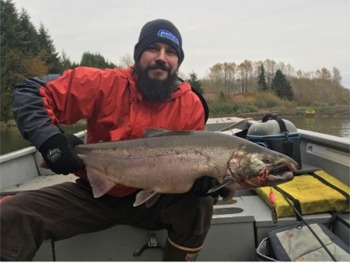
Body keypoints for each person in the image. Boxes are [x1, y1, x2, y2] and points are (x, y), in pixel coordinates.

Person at [1, 19, 227, 261]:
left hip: (155, 201)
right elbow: (31, 91)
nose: (161, 57)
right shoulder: (104, 84)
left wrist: (206, 184)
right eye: (153, 48)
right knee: (10, 215)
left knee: (200, 205)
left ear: (178, 62)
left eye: (171, 52)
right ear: (138, 54)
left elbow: (196, 163)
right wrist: (50, 141)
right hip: (93, 195)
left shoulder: (192, 105)